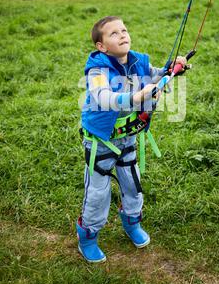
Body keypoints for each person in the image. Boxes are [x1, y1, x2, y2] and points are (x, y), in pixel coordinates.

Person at [76, 16, 186, 263]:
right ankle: (88, 238)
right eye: (114, 33)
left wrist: (173, 67)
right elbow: (101, 96)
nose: (122, 35)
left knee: (133, 186)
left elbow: (158, 74)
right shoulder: (97, 69)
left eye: (124, 30)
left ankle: (132, 223)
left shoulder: (138, 61)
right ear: (101, 46)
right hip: (101, 143)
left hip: (127, 141)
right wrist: (133, 98)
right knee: (97, 195)